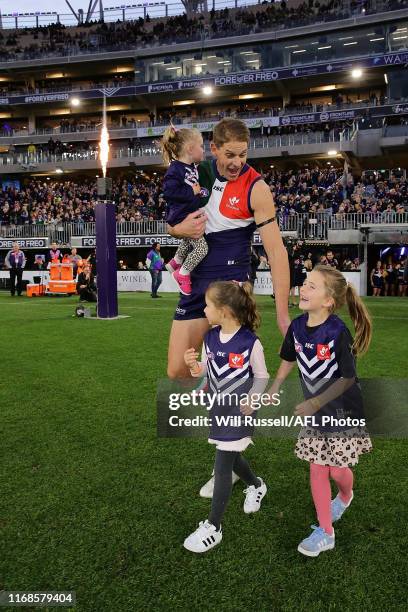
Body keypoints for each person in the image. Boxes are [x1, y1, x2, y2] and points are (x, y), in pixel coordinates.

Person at [167, 118, 290, 498]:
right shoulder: (196, 171)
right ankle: (233, 453)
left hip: (232, 280)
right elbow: (176, 219)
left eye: (243, 154)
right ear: (214, 149)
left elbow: (275, 250)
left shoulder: (257, 187)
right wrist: (175, 231)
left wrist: (283, 312)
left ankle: (228, 461)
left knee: (230, 386)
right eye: (230, 154)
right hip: (195, 273)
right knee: (178, 370)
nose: (237, 161)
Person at [269, 265, 372, 556]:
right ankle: (326, 532)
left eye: (312, 286)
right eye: (304, 283)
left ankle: (345, 493)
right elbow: (289, 357)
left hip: (342, 412)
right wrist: (275, 386)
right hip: (315, 415)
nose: (303, 288)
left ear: (328, 300)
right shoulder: (297, 327)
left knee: (337, 470)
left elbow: (347, 378)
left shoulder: (338, 332)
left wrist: (315, 402)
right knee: (317, 467)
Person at [183, 281, 268, 553]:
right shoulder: (210, 337)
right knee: (232, 456)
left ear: (224, 310)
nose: (204, 309)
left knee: (222, 465)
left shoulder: (250, 343)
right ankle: (256, 485)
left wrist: (253, 398)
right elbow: (206, 373)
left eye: (208, 305)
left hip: (239, 413)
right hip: (218, 409)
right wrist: (194, 367)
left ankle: (213, 526)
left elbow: (262, 375)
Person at [161, 125, 208, 295]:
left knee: (188, 241)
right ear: (190, 148)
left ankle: (176, 261)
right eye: (201, 146)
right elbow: (169, 192)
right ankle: (183, 273)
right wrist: (192, 192)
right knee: (202, 248)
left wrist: (198, 193)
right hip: (181, 216)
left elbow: (189, 188)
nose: (204, 150)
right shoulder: (175, 168)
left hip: (187, 213)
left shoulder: (190, 167)